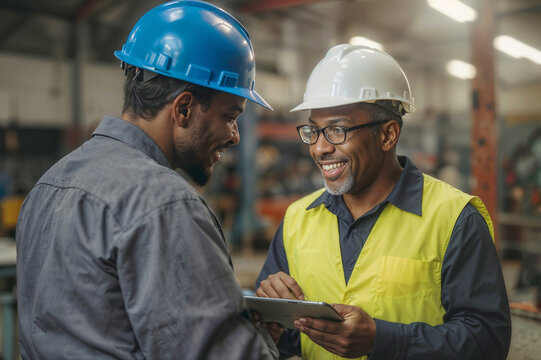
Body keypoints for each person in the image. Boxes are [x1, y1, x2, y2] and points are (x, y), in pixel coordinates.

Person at [16, 1, 279, 359]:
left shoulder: (48, 185)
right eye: (230, 115)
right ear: (183, 109)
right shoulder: (165, 204)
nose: (234, 135)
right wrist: (265, 337)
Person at [256, 44, 511, 360]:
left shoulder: (454, 219)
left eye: (336, 129)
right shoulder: (297, 219)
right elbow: (282, 335)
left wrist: (384, 340)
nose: (319, 148)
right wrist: (273, 328)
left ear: (388, 135)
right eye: (314, 130)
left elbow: (488, 342)